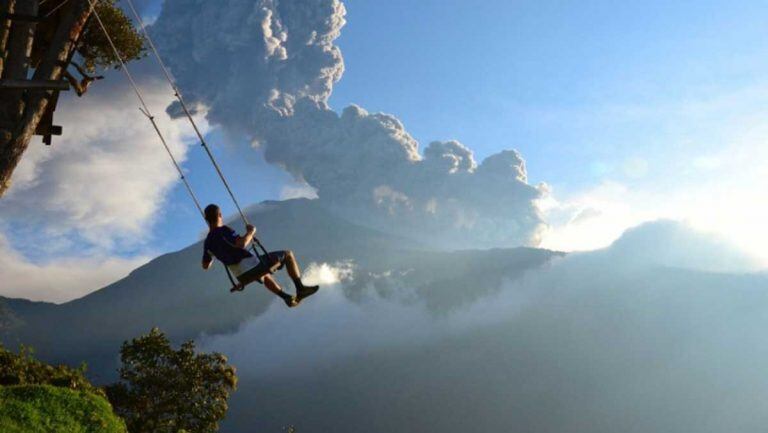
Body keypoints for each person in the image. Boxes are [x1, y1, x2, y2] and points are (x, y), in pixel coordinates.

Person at [201, 204, 319, 308]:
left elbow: (205, 266)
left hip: (241, 276)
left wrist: (215, 253)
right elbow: (241, 244)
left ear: (206, 219)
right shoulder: (224, 230)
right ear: (220, 215)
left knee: (264, 274)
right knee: (288, 254)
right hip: (252, 266)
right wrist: (251, 232)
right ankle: (300, 288)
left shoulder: (208, 243)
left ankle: (286, 297)